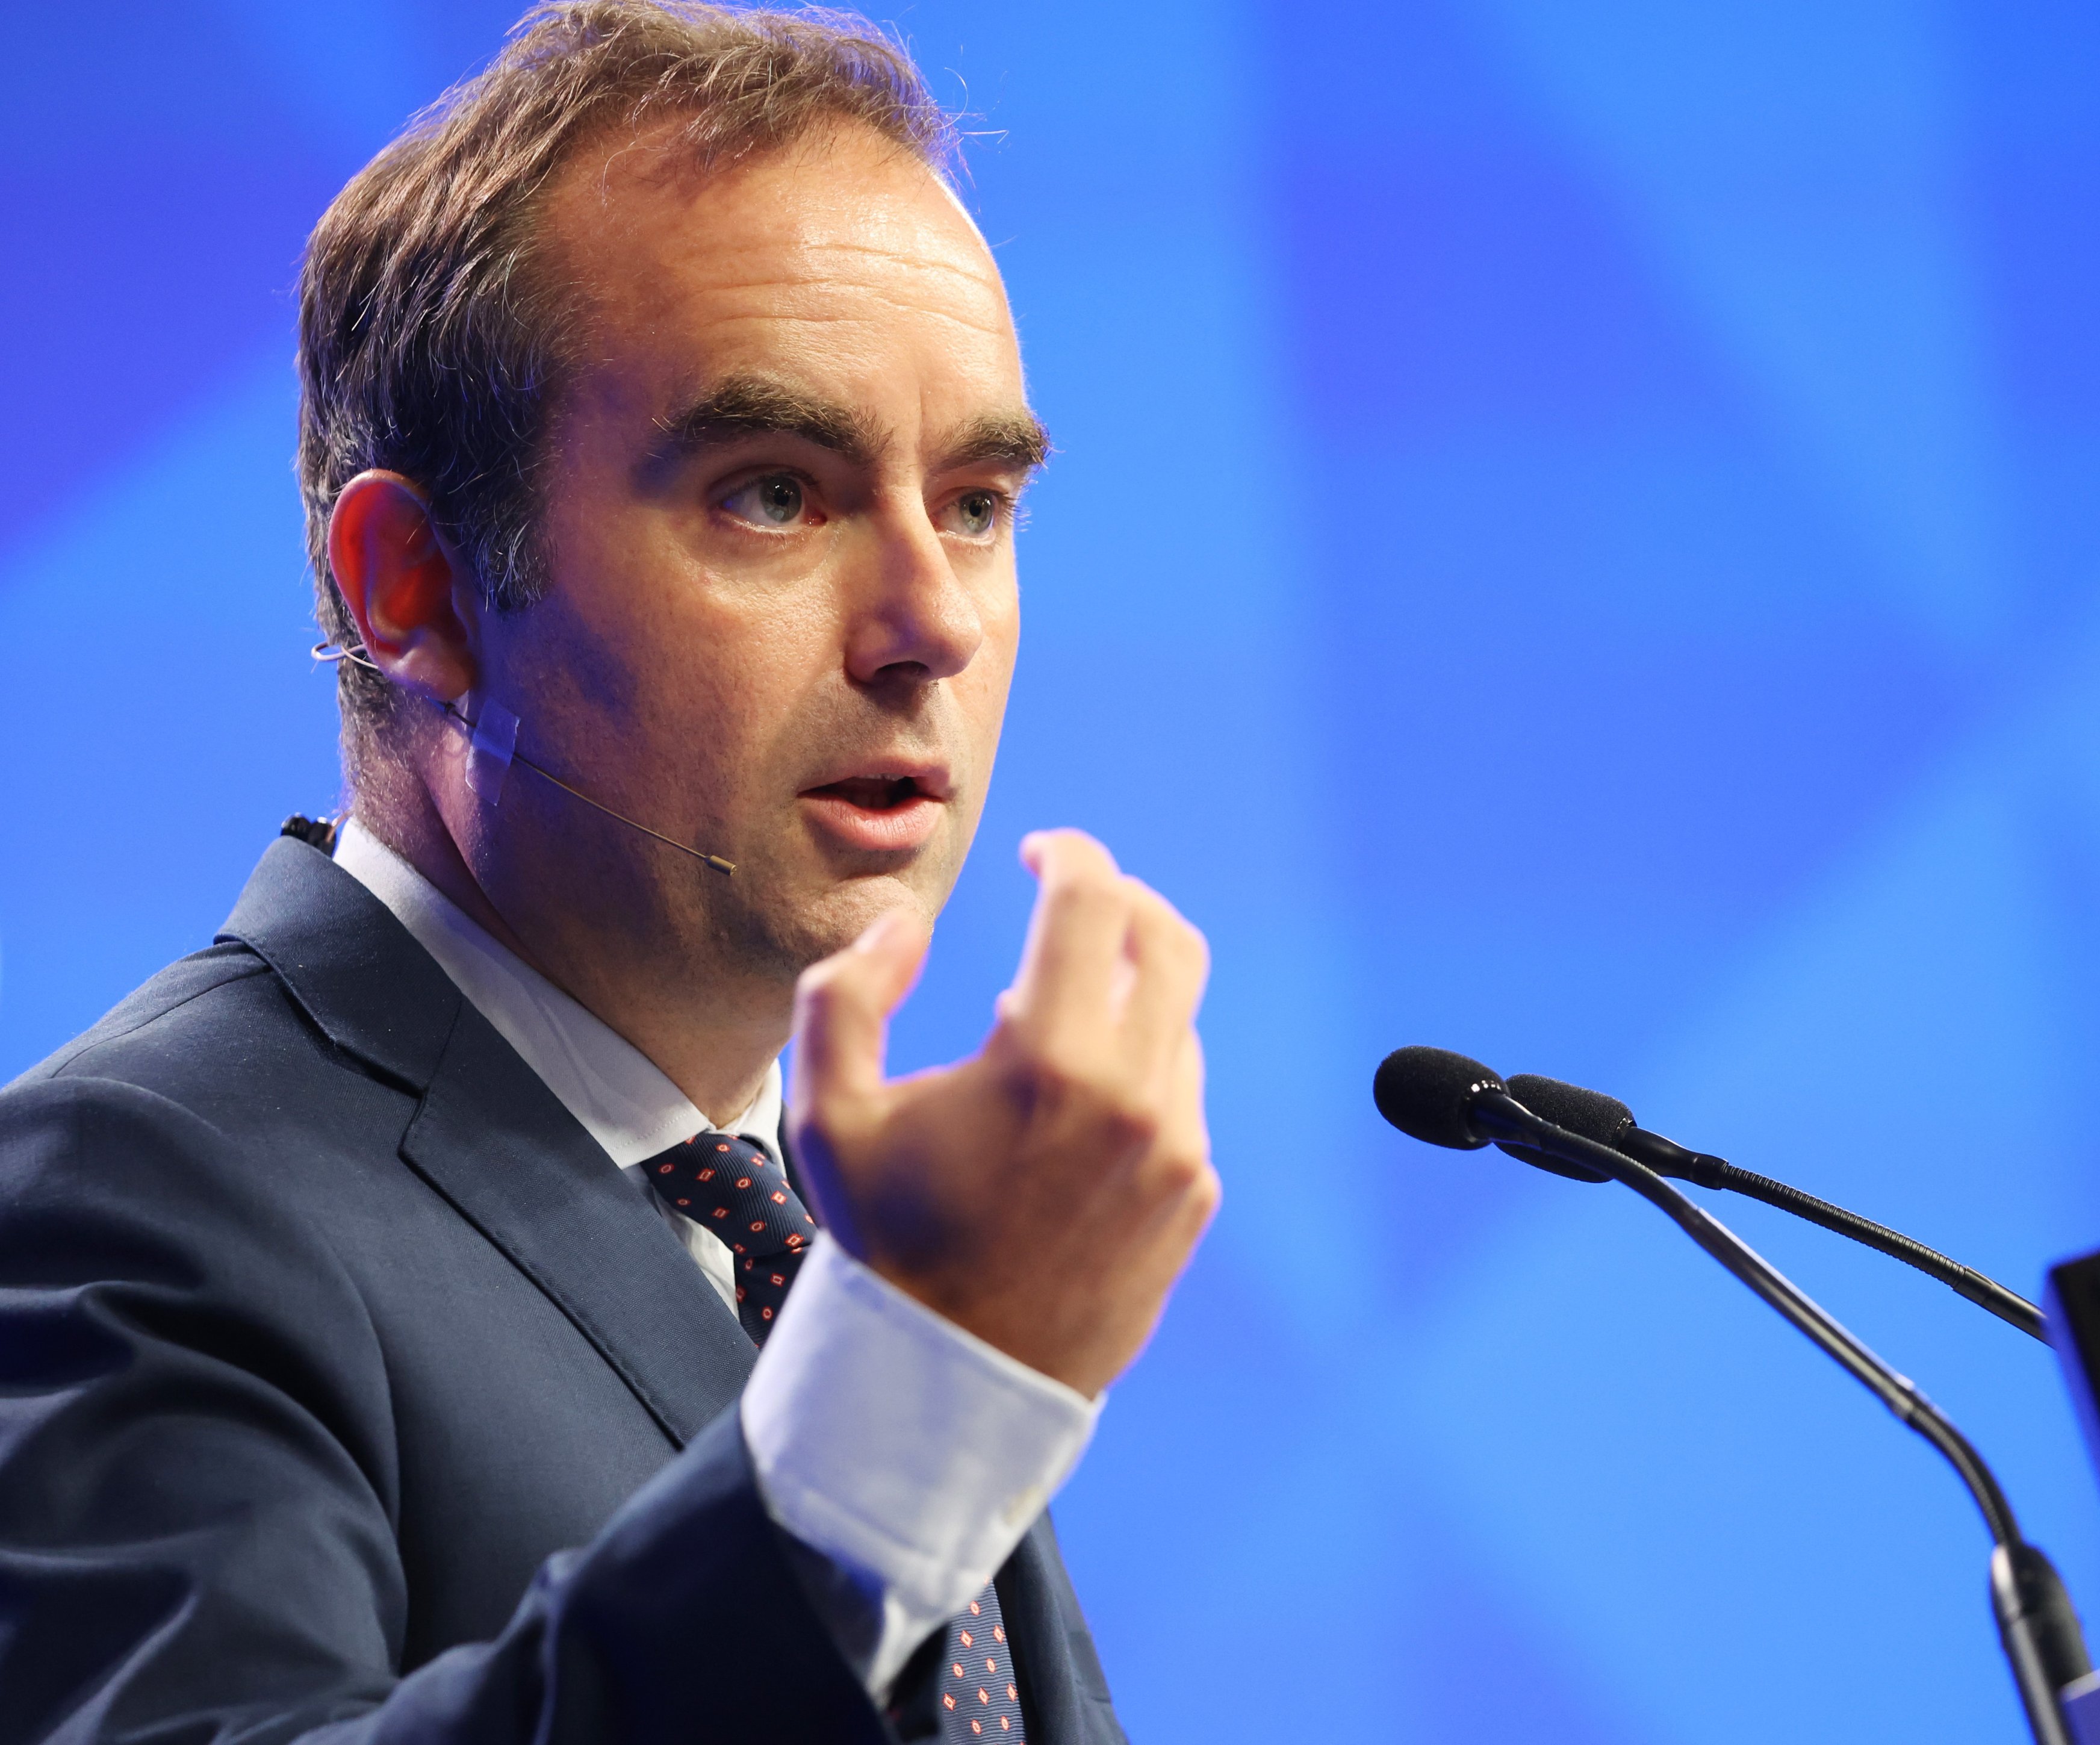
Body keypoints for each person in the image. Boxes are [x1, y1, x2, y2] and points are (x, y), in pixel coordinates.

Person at [0, 4, 1218, 1741]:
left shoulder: (820, 1235)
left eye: (974, 503)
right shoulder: (121, 1198)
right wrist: (915, 1407)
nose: (934, 622)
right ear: (416, 587)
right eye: (775, 494)